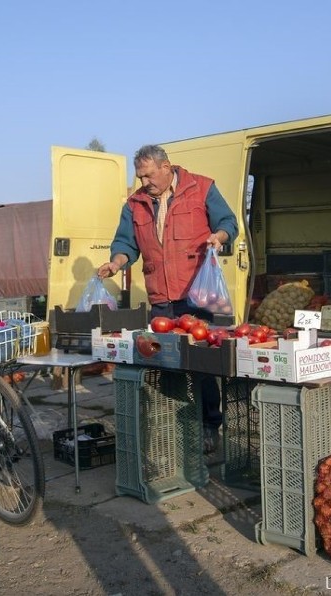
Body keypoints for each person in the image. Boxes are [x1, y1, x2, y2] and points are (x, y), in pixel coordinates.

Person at [98, 144, 238, 454]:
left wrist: (220, 237)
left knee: (201, 366)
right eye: (140, 177)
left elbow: (229, 223)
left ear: (166, 167)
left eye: (148, 175)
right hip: (161, 298)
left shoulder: (201, 187)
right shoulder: (135, 204)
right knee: (166, 365)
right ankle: (174, 424)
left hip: (196, 295)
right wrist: (116, 262)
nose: (143, 182)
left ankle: (209, 425)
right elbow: (125, 243)